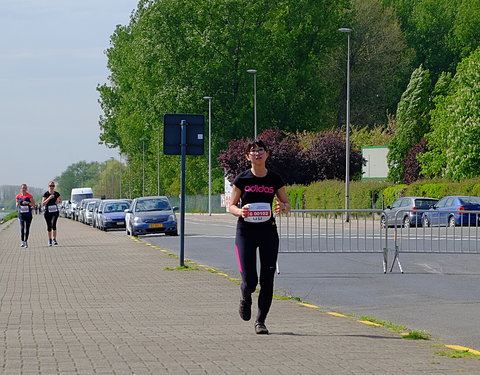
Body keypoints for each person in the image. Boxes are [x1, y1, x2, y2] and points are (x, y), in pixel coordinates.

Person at [229, 139, 291, 334]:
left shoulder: (274, 179)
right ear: (248, 156)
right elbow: (231, 205)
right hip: (246, 232)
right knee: (250, 281)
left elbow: (286, 203)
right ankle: (245, 296)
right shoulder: (242, 179)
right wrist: (240, 212)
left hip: (268, 232)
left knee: (267, 279)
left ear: (267, 154)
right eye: (253, 151)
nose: (257, 154)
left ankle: (260, 321)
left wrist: (284, 207)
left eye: (261, 150)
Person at [41, 181, 62, 246]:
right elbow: (43, 203)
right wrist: (49, 198)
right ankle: (49, 239)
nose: (52, 187)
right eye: (50, 186)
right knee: (49, 226)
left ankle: (54, 239)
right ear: (48, 186)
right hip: (48, 212)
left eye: (53, 186)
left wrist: (58, 201)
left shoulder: (56, 194)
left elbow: (60, 200)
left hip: (55, 211)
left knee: (54, 224)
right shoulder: (46, 194)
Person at [15, 184, 36, 248]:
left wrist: (28, 203)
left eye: (25, 188)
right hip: (21, 214)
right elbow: (16, 203)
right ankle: (22, 241)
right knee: (22, 228)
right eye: (22, 188)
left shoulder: (29, 196)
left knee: (27, 228)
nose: (23, 189)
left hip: (28, 214)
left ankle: (26, 241)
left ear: (26, 189)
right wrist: (17, 204)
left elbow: (34, 204)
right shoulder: (18, 196)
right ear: (20, 189)